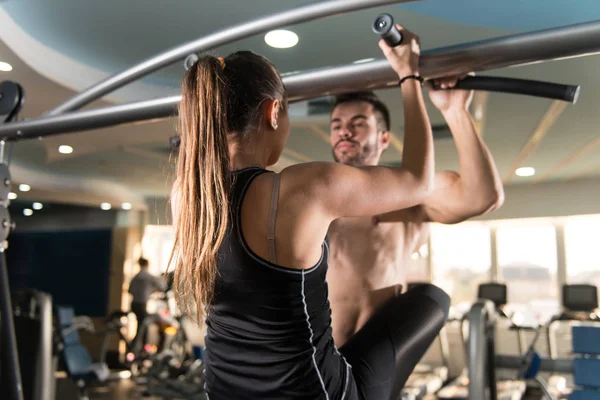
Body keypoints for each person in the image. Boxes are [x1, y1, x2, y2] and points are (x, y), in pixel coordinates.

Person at [170, 25, 450, 400]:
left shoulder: (186, 195)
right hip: (315, 394)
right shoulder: (300, 188)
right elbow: (418, 179)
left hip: (222, 391)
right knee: (431, 299)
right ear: (273, 112)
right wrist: (409, 74)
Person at [326, 79, 504, 347]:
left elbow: (482, 197)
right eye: (337, 126)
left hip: (375, 363)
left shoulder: (406, 198)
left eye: (358, 124)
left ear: (384, 138)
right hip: (310, 363)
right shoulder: (317, 195)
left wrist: (455, 110)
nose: (345, 132)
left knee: (432, 299)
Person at [128, 257, 167, 349]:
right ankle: (141, 347)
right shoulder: (148, 277)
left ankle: (138, 346)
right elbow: (162, 287)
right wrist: (151, 290)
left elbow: (130, 291)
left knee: (141, 325)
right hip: (141, 304)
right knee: (144, 325)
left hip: (134, 303)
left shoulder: (136, 277)